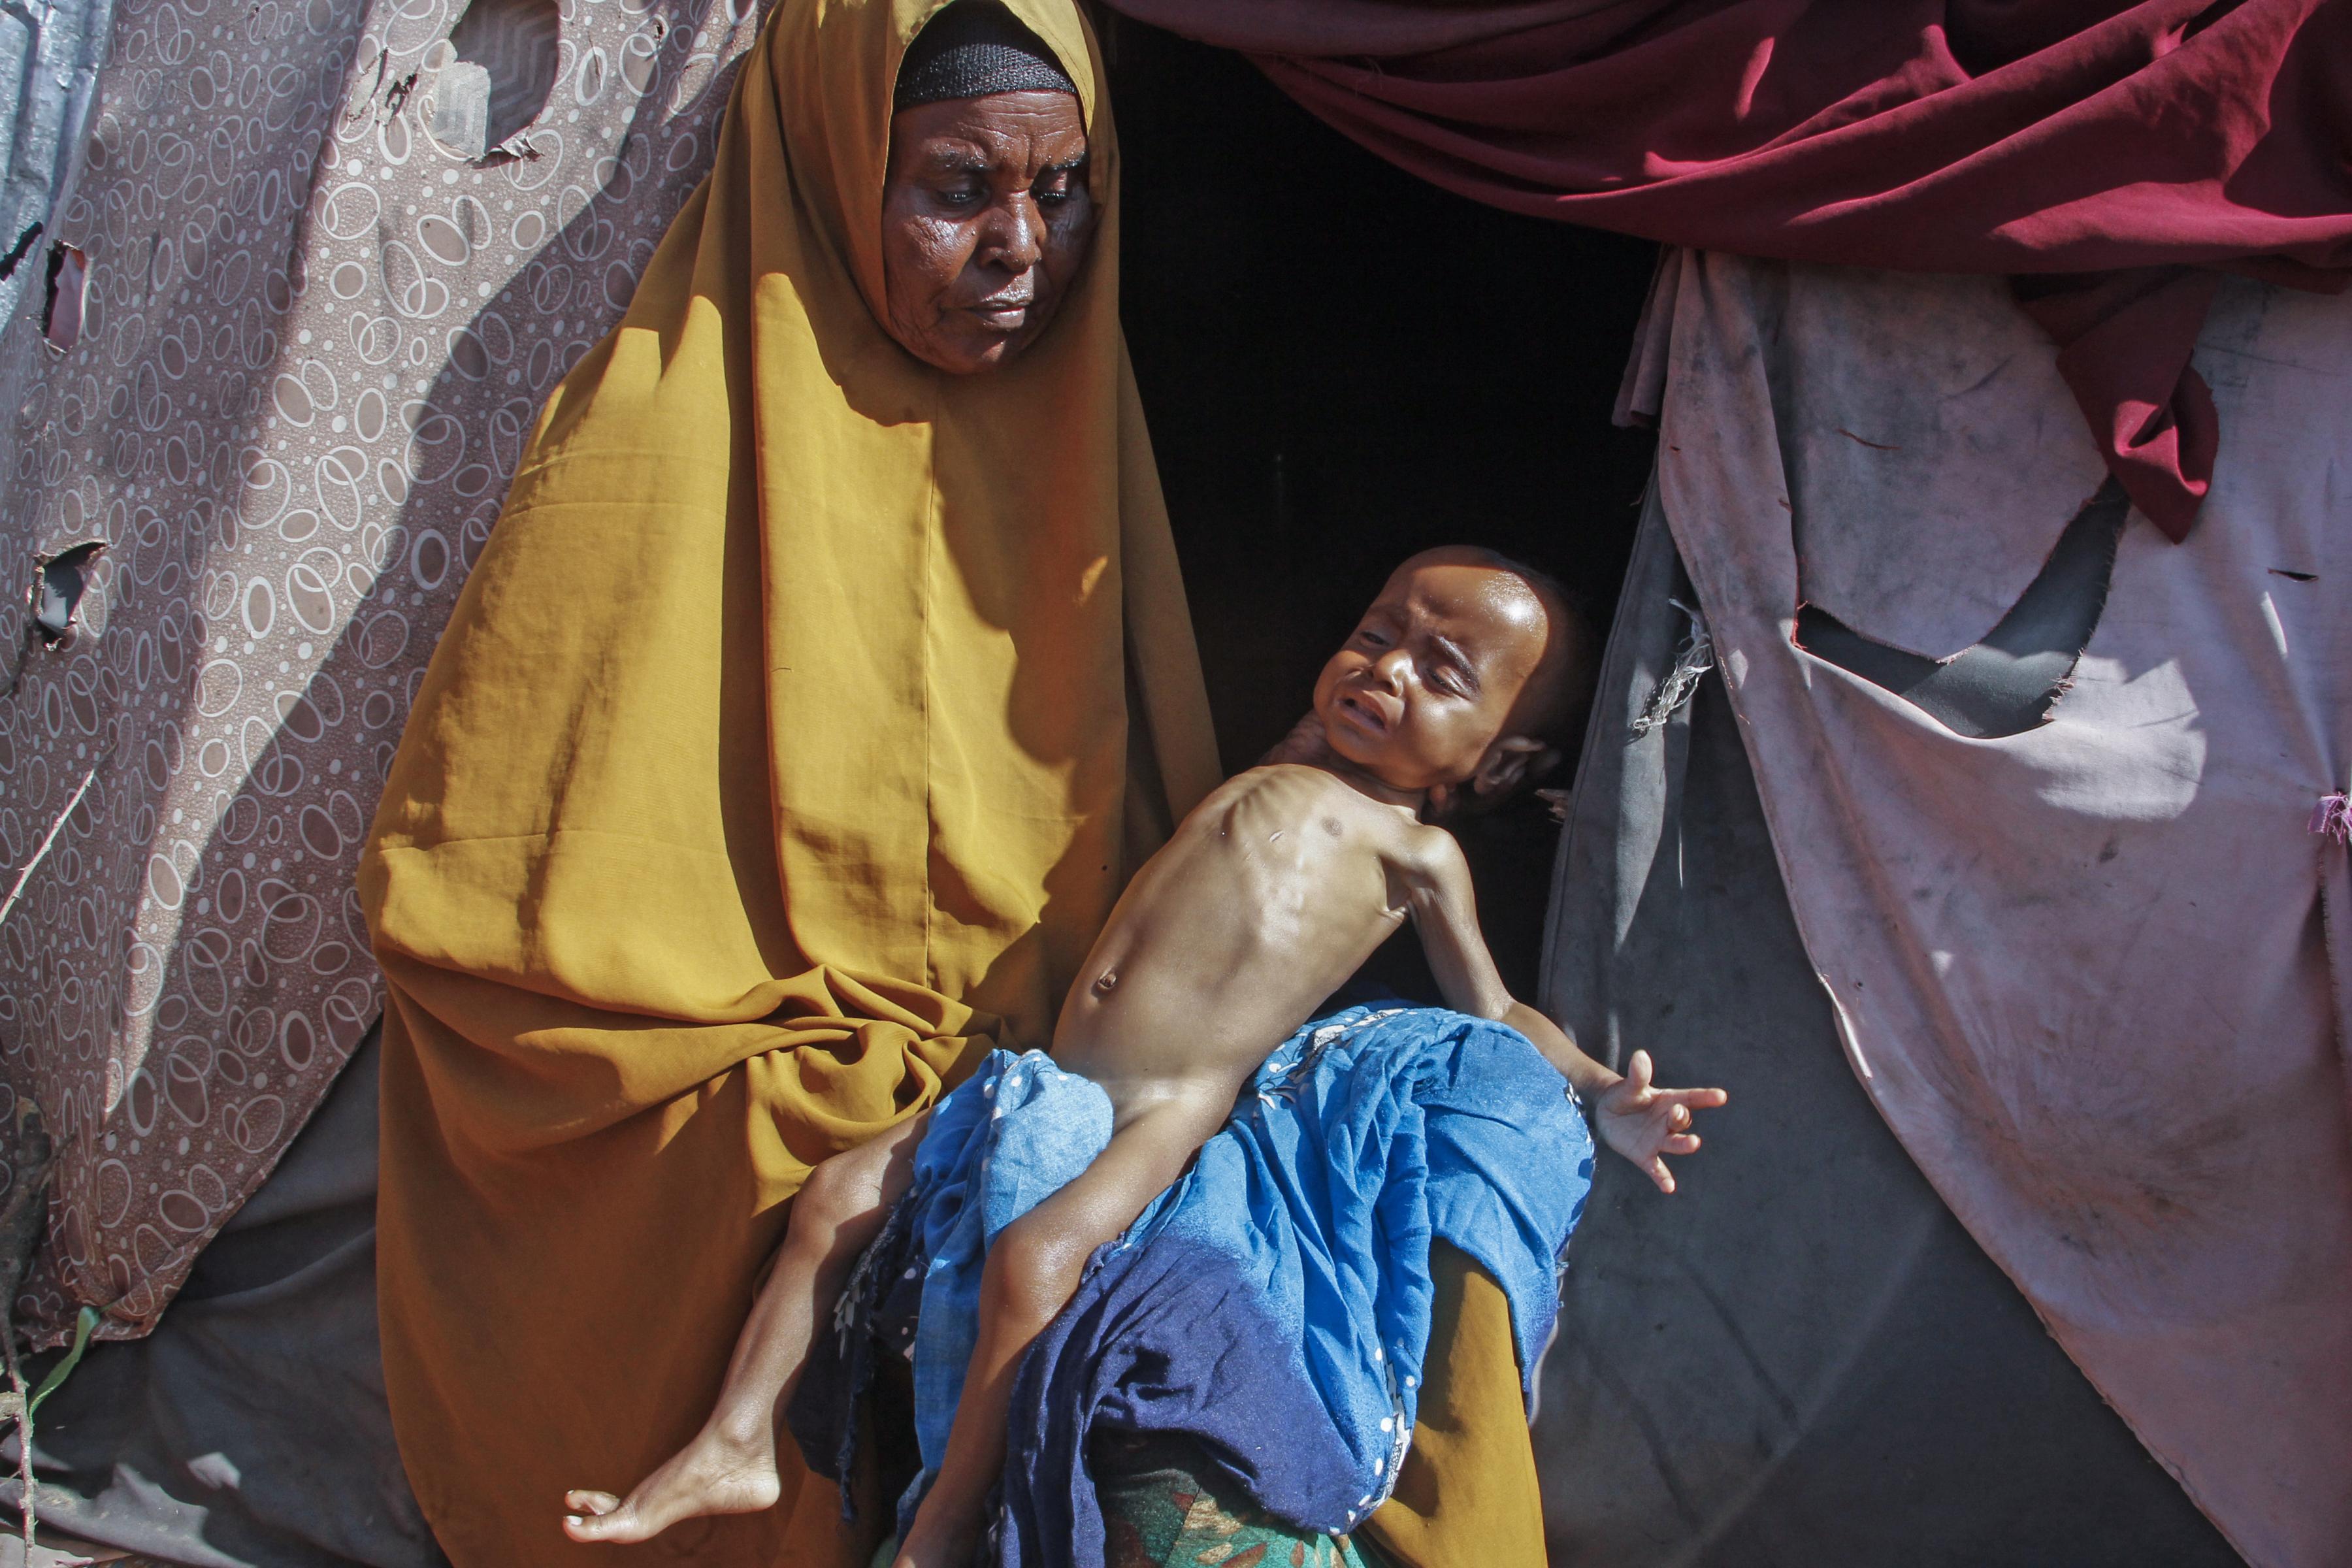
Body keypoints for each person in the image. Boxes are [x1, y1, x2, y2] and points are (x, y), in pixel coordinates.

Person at [359, 2, 1220, 1563]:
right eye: (958, 187)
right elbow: (477, 896)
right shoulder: (658, 431)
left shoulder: (1089, 458)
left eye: (1063, 188)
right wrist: (805, 1064)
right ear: (833, 165)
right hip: (747, 1076)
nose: (1023, 245)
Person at [562, 547, 1728, 1565]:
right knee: (835, 1198)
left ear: (1506, 767)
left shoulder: (1417, 854)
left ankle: (948, 1524)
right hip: (1053, 1077)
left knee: (1034, 1263)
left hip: (1167, 1106)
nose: (1387, 670)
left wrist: (1595, 1095)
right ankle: (733, 1446)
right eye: (1377, 638)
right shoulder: (1280, 765)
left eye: (1441, 671)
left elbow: (1495, 1011)